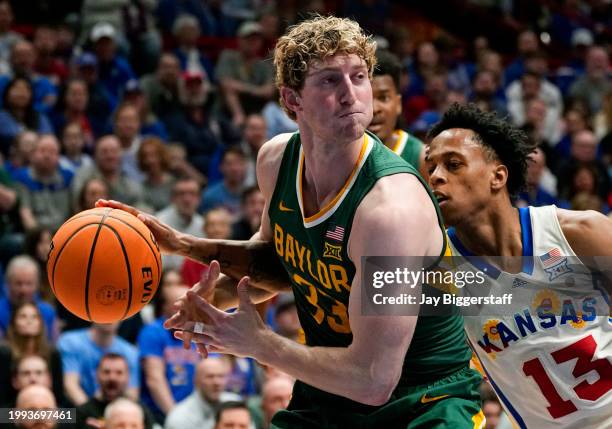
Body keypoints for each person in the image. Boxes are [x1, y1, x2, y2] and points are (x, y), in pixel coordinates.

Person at [99, 16, 483, 428]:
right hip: (329, 391)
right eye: (329, 81)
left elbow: (375, 379)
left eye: (358, 77)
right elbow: (281, 265)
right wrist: (188, 253)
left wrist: (258, 343)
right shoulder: (277, 159)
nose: (350, 94)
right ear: (291, 100)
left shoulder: (390, 210)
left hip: (421, 404)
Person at [426, 103, 612, 428]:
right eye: (431, 167)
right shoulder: (437, 274)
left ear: (497, 176)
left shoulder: (578, 232)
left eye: (453, 164)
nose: (436, 176)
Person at [138, 284, 200, 422]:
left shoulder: (198, 329)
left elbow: (214, 366)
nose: (186, 311)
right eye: (179, 307)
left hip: (194, 412)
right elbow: (154, 380)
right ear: (164, 307)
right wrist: (176, 417)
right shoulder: (153, 331)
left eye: (190, 306)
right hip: (159, 413)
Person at [368, 49, 428, 178]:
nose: (374, 108)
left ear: (398, 103)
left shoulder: (420, 156)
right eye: (366, 98)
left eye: (383, 98)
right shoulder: (343, 157)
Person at [57, 323, 139, 406]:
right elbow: (70, 386)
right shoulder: (70, 342)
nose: (108, 316)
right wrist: (92, 413)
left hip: (116, 411)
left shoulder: (131, 352)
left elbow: (132, 395)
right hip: (75, 410)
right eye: (103, 310)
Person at [76, 353, 156, 429]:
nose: (112, 378)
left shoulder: (140, 410)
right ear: (97, 375)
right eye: (106, 372)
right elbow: (63, 416)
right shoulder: (80, 412)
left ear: (128, 377)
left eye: (119, 373)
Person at [164, 357, 241, 429]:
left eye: (221, 376)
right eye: (210, 377)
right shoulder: (180, 417)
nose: (216, 382)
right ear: (196, 381)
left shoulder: (236, 403)